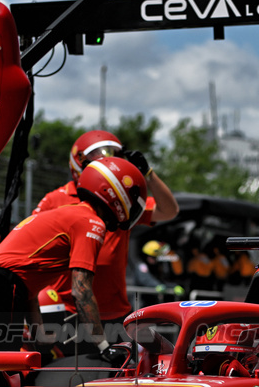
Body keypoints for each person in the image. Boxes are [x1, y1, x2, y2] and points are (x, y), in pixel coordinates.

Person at [0, 156, 147, 387]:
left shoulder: (64, 215)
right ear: (115, 194)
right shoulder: (90, 222)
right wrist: (104, 345)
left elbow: (25, 281)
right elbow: (82, 290)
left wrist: (39, 332)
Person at [28, 129, 178, 343]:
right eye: (97, 157)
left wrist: (148, 174)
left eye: (111, 156)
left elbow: (169, 211)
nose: (105, 161)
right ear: (79, 161)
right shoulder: (56, 199)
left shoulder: (120, 197)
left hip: (116, 312)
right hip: (69, 311)